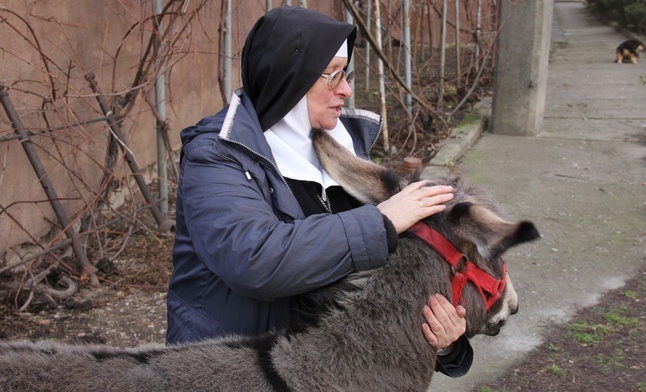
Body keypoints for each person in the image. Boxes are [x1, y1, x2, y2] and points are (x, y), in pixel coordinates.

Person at [167, 5, 473, 377]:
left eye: (346, 74)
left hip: (324, 373)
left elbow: (378, 281)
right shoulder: (217, 156)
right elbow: (254, 260)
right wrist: (383, 220)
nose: (345, 90)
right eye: (331, 76)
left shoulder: (340, 150)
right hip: (234, 373)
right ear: (288, 78)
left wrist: (444, 342)